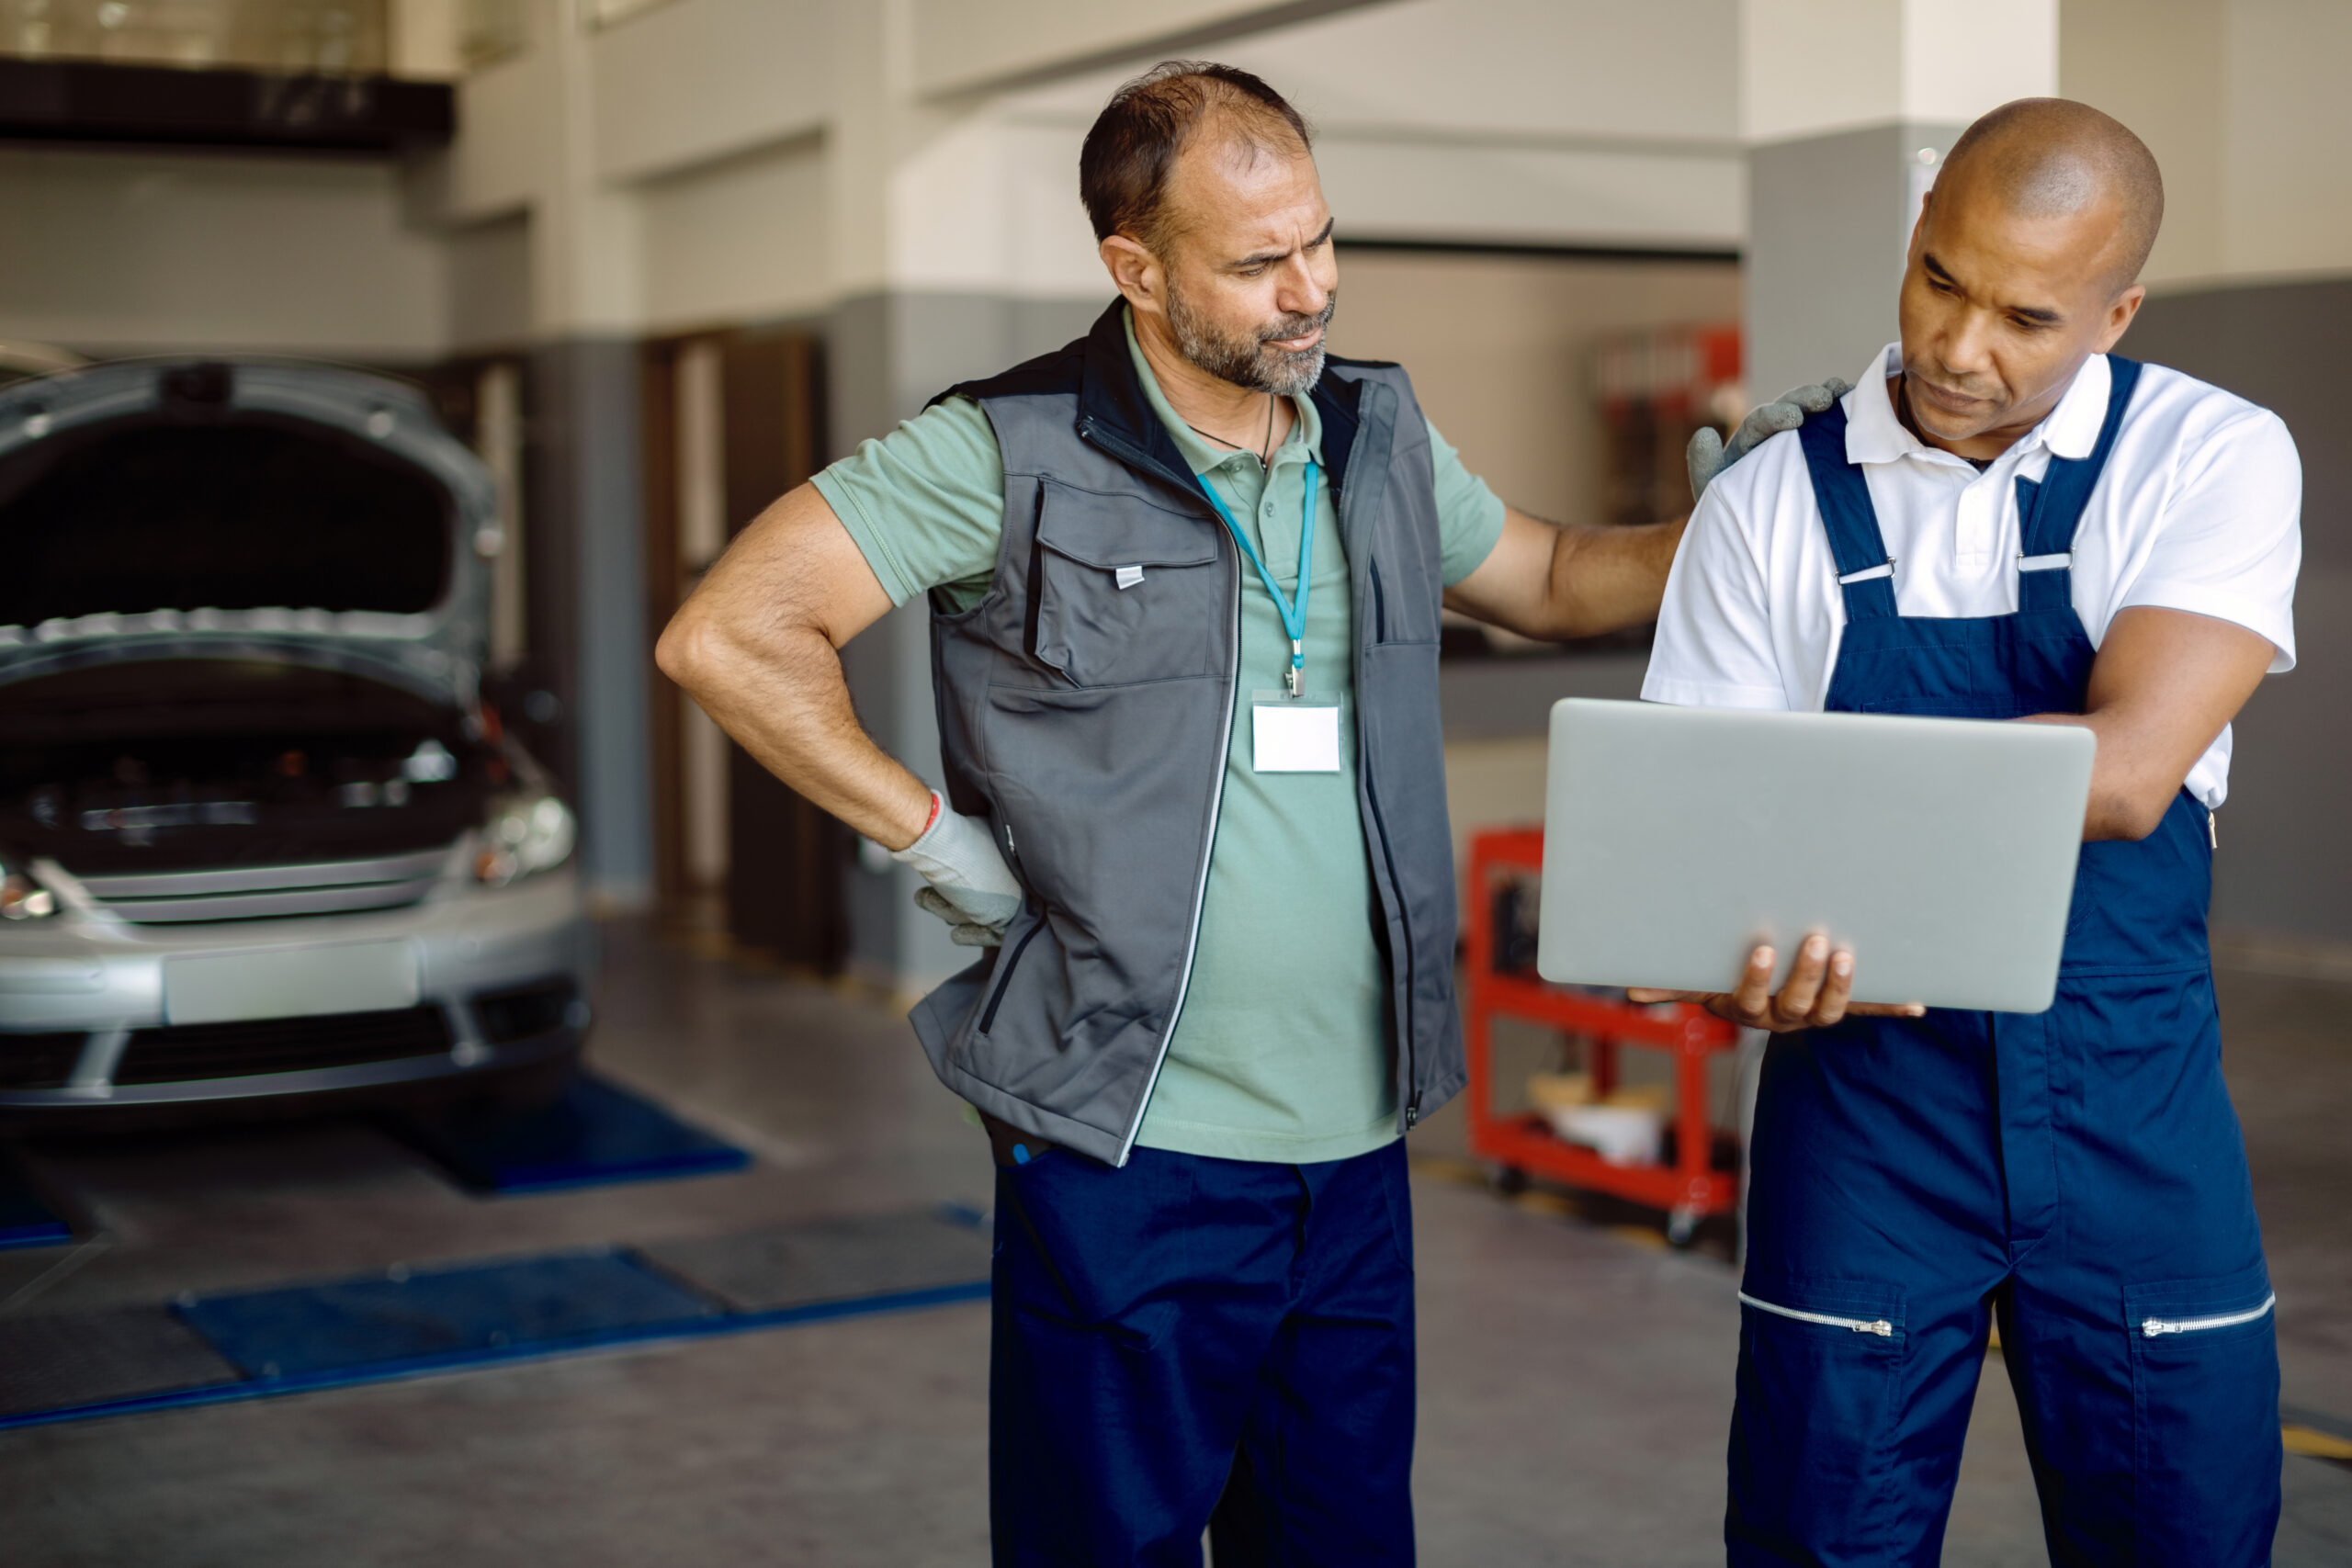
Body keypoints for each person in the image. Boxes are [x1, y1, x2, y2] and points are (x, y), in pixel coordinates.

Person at [659, 59, 1829, 1567]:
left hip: (1352, 1151)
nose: (1311, 290)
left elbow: (1546, 579)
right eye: (1259, 262)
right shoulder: (1004, 453)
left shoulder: (1375, 435)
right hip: (1127, 1150)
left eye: (1323, 242)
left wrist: (1745, 516)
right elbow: (732, 634)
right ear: (1134, 269)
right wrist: (926, 836)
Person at [1634, 98, 2301, 1565]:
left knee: (2182, 1531)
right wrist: (1723, 955)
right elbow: (1696, 850)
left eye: (2025, 316)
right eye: (1939, 278)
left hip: (2134, 1113)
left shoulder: (2211, 456)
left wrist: (1815, 807)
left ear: (2115, 312)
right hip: (1865, 1115)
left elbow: (2127, 775)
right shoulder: (1764, 506)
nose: (1957, 348)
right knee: (1823, 1535)